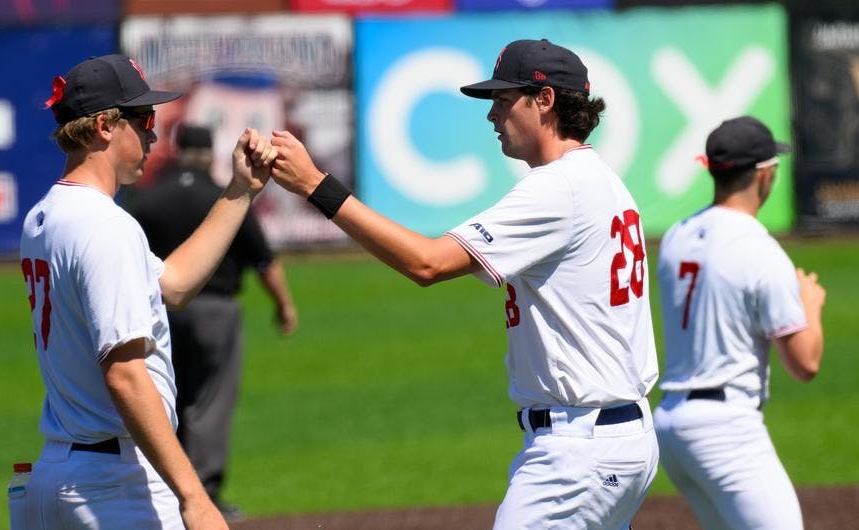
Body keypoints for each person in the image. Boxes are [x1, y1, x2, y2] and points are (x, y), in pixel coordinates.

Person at [269, 39, 659, 529]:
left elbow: (427, 264)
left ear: (545, 101)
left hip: (579, 450)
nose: (492, 116)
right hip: (615, 435)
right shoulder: (601, 179)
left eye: (503, 100)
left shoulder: (557, 187)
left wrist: (315, 187)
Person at [13, 54, 276, 529]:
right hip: (116, 485)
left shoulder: (44, 216)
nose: (154, 134)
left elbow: (172, 286)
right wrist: (194, 496)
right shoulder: (106, 226)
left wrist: (241, 189)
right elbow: (125, 375)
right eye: (144, 119)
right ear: (104, 127)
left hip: (56, 475)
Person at [654, 116, 826, 530]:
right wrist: (811, 305)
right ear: (765, 175)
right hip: (725, 431)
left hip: (671, 426)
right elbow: (805, 364)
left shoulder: (677, 236)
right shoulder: (759, 250)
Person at [130, 124, 298, 520]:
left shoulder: (147, 198)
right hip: (216, 311)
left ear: (176, 149)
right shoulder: (221, 196)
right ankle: (203, 494)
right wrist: (284, 305)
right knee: (209, 403)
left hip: (160, 314)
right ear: (208, 153)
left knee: (164, 398)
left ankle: (163, 490)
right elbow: (263, 259)